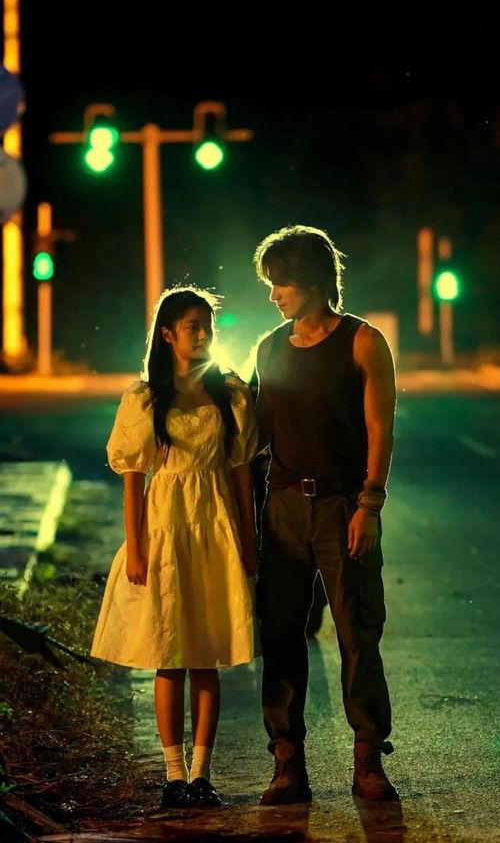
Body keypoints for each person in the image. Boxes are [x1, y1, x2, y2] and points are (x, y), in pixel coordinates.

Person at [91, 287, 258, 809]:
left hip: (214, 527)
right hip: (166, 527)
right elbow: (133, 479)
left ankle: (203, 774)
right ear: (168, 334)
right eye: (192, 326)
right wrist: (136, 547)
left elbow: (242, 475)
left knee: (207, 654)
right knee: (169, 654)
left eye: (207, 325)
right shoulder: (145, 400)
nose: (203, 334)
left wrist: (249, 540)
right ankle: (173, 775)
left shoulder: (229, 395)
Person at [253, 225, 398, 804]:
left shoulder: (363, 342)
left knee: (357, 634)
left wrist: (370, 503)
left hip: (343, 505)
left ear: (312, 281)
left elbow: (380, 429)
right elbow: (256, 434)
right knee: (281, 635)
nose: (273, 295)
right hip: (284, 506)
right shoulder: (269, 347)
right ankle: (287, 763)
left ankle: (368, 761)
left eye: (281, 283)